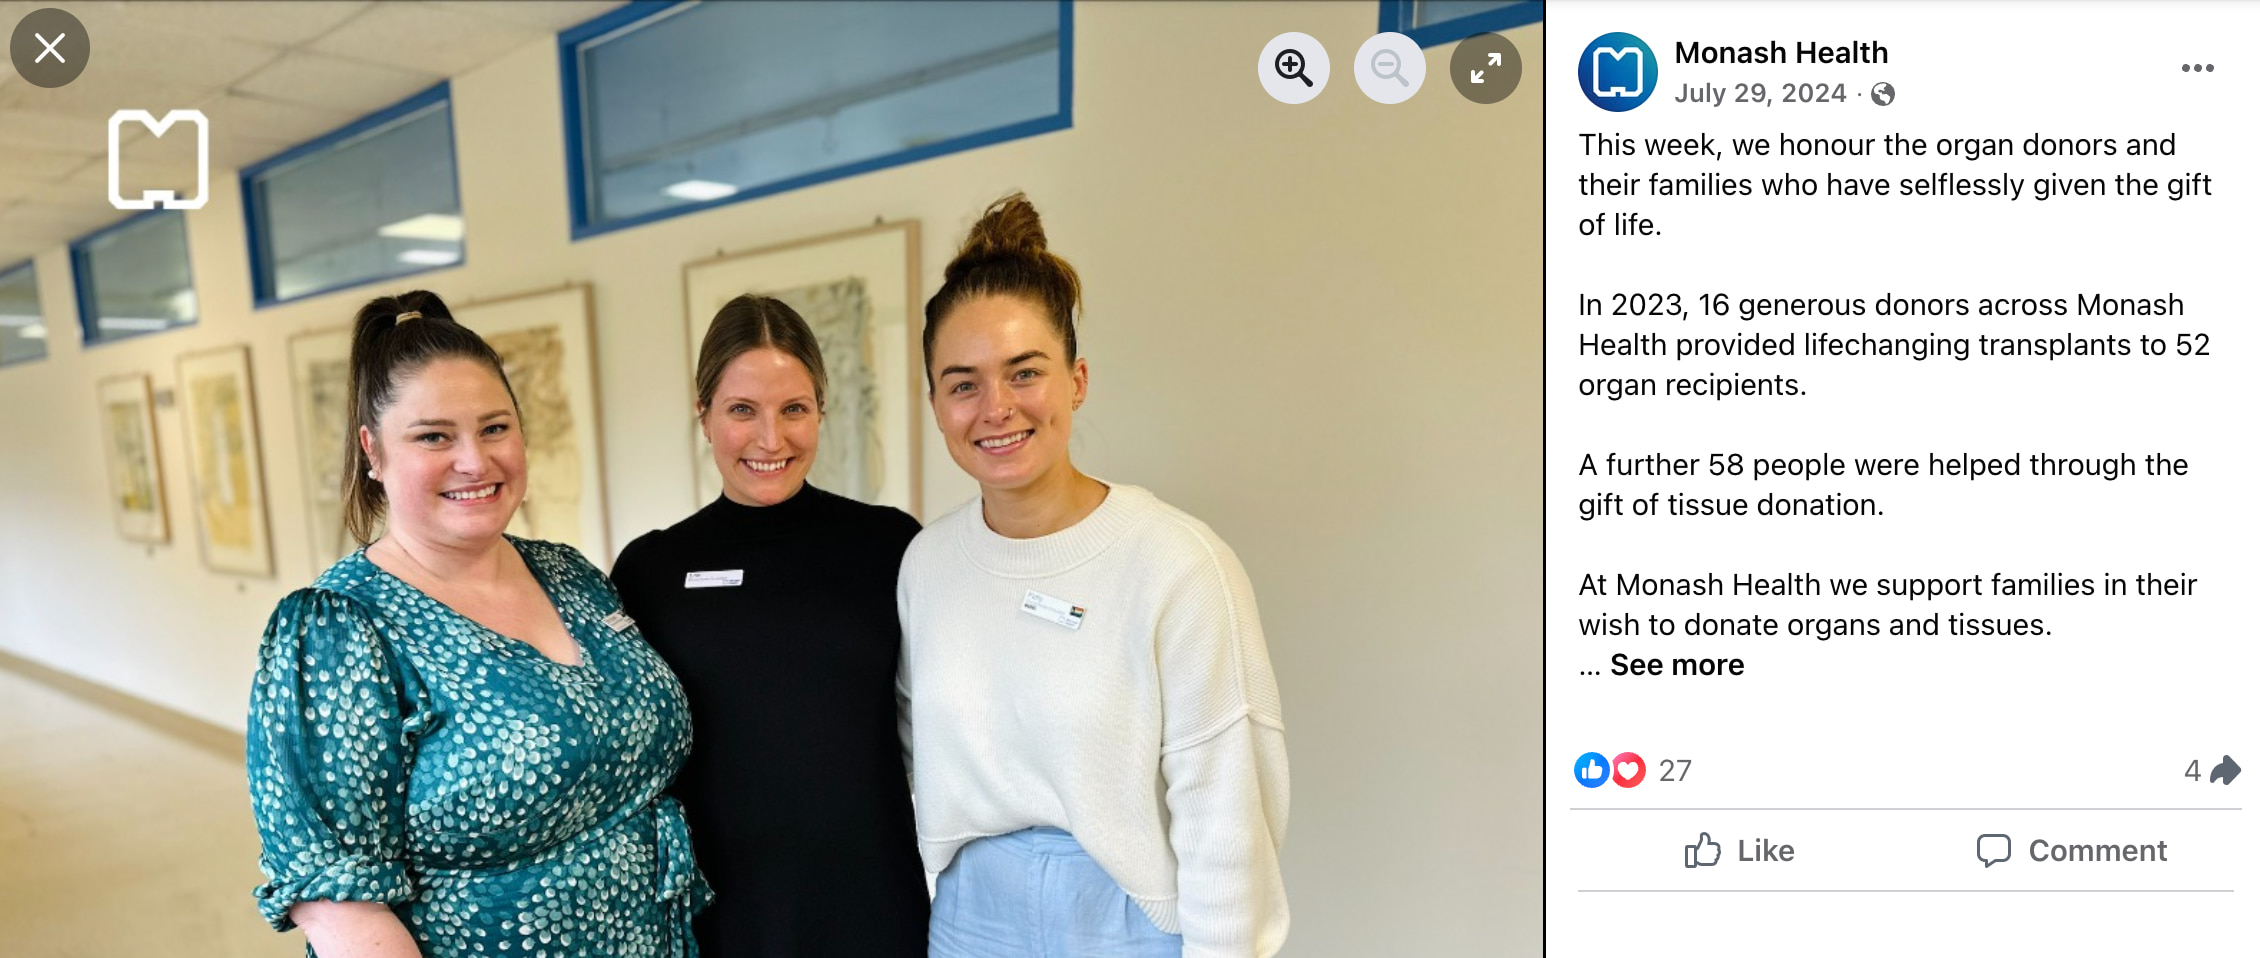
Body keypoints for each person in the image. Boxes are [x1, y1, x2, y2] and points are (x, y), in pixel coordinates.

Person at [246, 291, 709, 958]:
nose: (475, 461)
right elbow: (337, 903)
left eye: (494, 428)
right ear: (373, 452)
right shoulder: (340, 630)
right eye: (434, 436)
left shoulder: (569, 575)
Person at [897, 194, 1291, 958]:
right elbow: (911, 754)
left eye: (1025, 372)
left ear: (1077, 380)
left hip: (1130, 922)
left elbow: (1226, 810)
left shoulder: (1175, 561)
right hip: (970, 922)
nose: (997, 408)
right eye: (964, 382)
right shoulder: (928, 566)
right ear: (937, 404)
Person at [610, 295, 928, 957]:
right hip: (721, 919)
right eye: (742, 411)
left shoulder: (890, 547)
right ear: (703, 416)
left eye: (794, 409)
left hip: (872, 910)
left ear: (821, 410)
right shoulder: (652, 570)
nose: (770, 439)